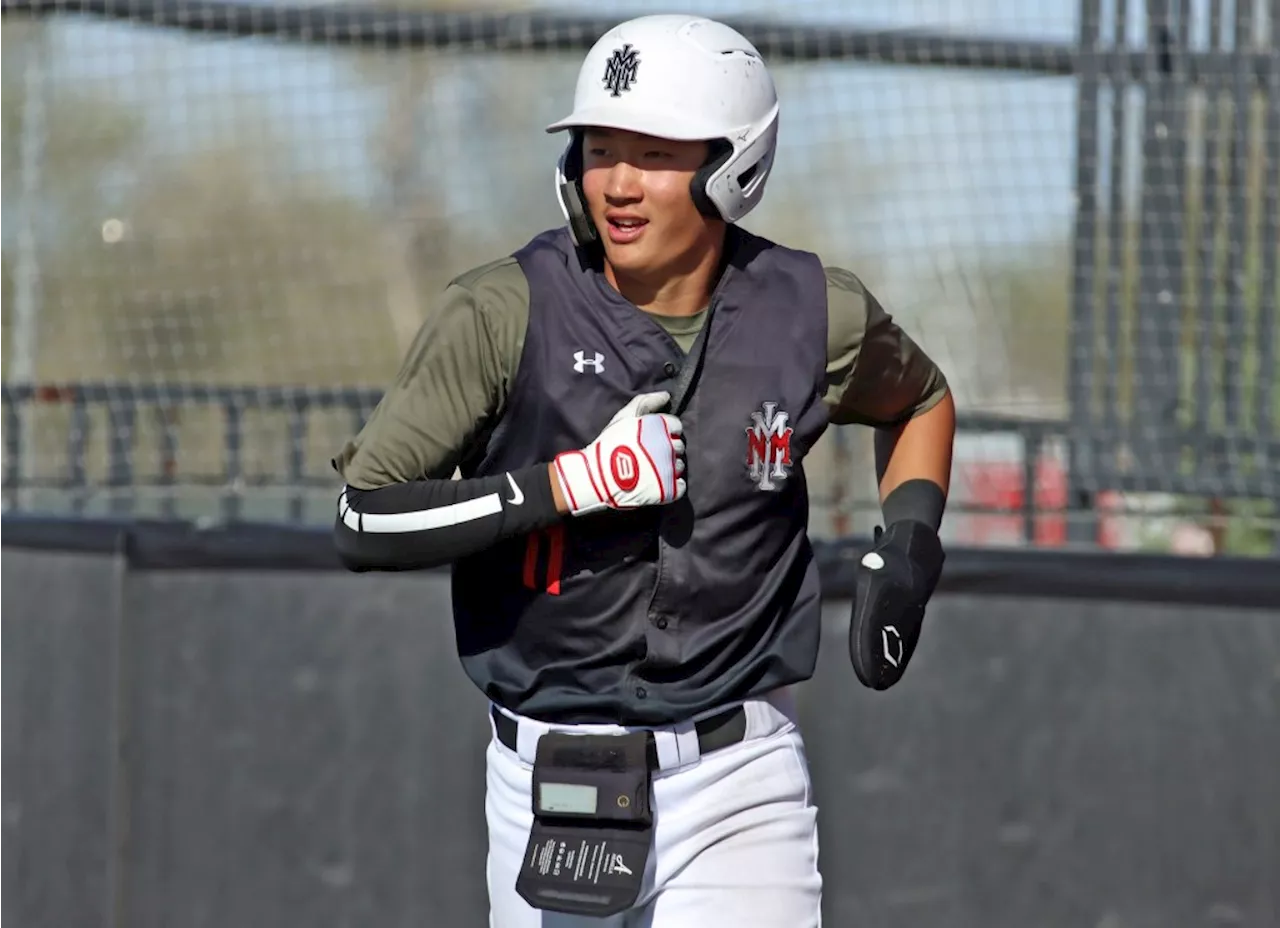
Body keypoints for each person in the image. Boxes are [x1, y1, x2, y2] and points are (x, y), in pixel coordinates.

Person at [331, 13, 955, 927]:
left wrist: (909, 549)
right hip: (549, 786)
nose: (619, 183)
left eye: (657, 153)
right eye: (599, 148)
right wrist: (564, 487)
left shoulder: (816, 310)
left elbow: (922, 400)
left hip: (739, 781)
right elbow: (361, 517)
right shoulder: (503, 309)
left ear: (734, 163)